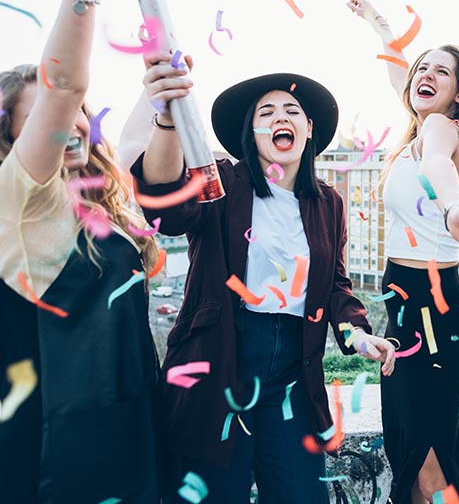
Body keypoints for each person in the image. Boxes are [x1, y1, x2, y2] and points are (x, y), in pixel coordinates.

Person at [132, 63, 396, 501]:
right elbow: (165, 206)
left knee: (301, 494)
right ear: (250, 132)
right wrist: (165, 118)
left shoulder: (327, 202)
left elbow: (334, 287)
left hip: (293, 373)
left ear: (308, 130)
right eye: (266, 112)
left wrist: (361, 335)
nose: (280, 118)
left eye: (292, 110)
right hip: (219, 365)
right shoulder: (221, 183)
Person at [0, 0, 162, 502]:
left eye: (71, 117)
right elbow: (64, 86)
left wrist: (160, 84)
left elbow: (130, 135)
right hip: (53, 447)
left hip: (127, 427)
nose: (64, 124)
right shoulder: (18, 198)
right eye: (40, 119)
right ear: (16, 137)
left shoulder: (98, 197)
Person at [348, 0, 459, 504]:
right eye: (422, 68)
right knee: (411, 450)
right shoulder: (419, 126)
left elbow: (438, 168)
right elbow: (398, 78)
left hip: (431, 309)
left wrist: (454, 209)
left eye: (442, 72)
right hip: (408, 310)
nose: (424, 76)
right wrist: (382, 29)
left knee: (427, 461)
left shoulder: (440, 131)